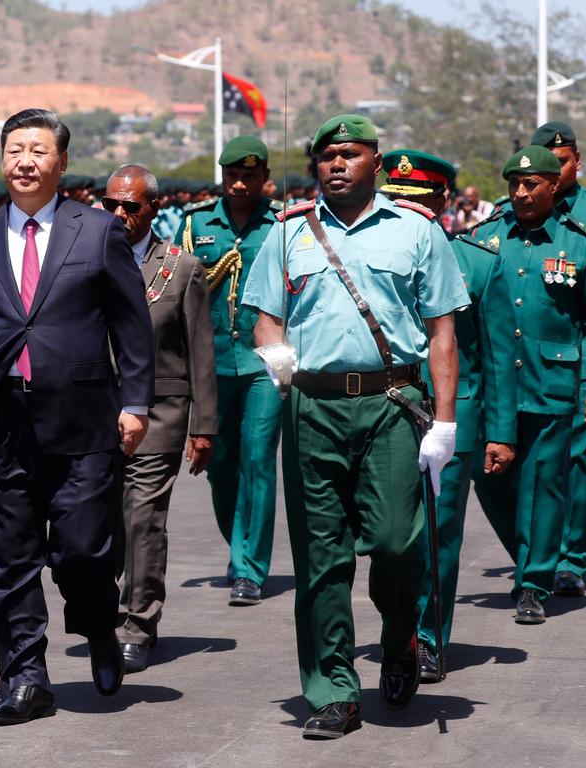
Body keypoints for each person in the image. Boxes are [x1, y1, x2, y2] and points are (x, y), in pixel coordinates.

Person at [244, 114, 469, 738]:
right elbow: (264, 315)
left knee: (398, 542)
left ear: (376, 160)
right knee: (321, 558)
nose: (336, 164)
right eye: (326, 156)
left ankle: (399, 642)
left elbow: (443, 331)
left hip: (391, 404)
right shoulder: (289, 234)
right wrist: (278, 357)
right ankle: (334, 690)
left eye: (350, 154)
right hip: (312, 406)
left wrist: (444, 423)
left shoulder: (417, 232)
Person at [0, 108, 154, 725]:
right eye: (14, 150)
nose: (25, 161)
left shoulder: (96, 231)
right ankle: (26, 678)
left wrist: (136, 404)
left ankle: (95, 627)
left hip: (85, 420)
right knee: (9, 560)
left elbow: (131, 326)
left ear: (61, 163)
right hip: (6, 422)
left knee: (83, 552)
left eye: (38, 150)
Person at [380, 149, 518, 681]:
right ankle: (397, 627)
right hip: (385, 409)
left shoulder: (479, 261)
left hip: (453, 415)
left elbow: (500, 356)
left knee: (438, 531)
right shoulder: (371, 256)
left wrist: (500, 433)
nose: (407, 211)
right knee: (390, 534)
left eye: (418, 202)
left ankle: (428, 637)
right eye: (396, 201)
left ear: (443, 203)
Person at [471, 146, 586, 624]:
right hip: (495, 383)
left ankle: (532, 582)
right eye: (514, 183)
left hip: (551, 381)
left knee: (543, 483)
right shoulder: (483, 237)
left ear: (554, 186)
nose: (520, 192)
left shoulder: (578, 243)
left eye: (531, 184)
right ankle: (535, 551)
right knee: (487, 475)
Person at [103, 164, 217, 674]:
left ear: (153, 207)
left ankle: (138, 623)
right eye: (111, 205)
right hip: (94, 416)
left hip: (160, 414)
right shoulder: (84, 259)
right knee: (98, 525)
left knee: (143, 520)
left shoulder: (181, 267)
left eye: (131, 206)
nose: (120, 214)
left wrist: (204, 425)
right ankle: (100, 612)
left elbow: (200, 351)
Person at [173, 136, 282, 606]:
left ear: (264, 178)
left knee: (258, 460)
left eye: (250, 175)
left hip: (263, 364)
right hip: (211, 363)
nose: (240, 183)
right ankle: (239, 547)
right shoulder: (196, 225)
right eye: (233, 175)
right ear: (223, 176)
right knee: (218, 465)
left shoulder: (282, 225)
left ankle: (248, 569)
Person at [528, 122, 586, 598]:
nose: (555, 169)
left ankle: (571, 558)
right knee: (538, 456)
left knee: (582, 455)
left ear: (577, 161)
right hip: (536, 349)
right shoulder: (519, 208)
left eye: (562, 161)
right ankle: (538, 549)